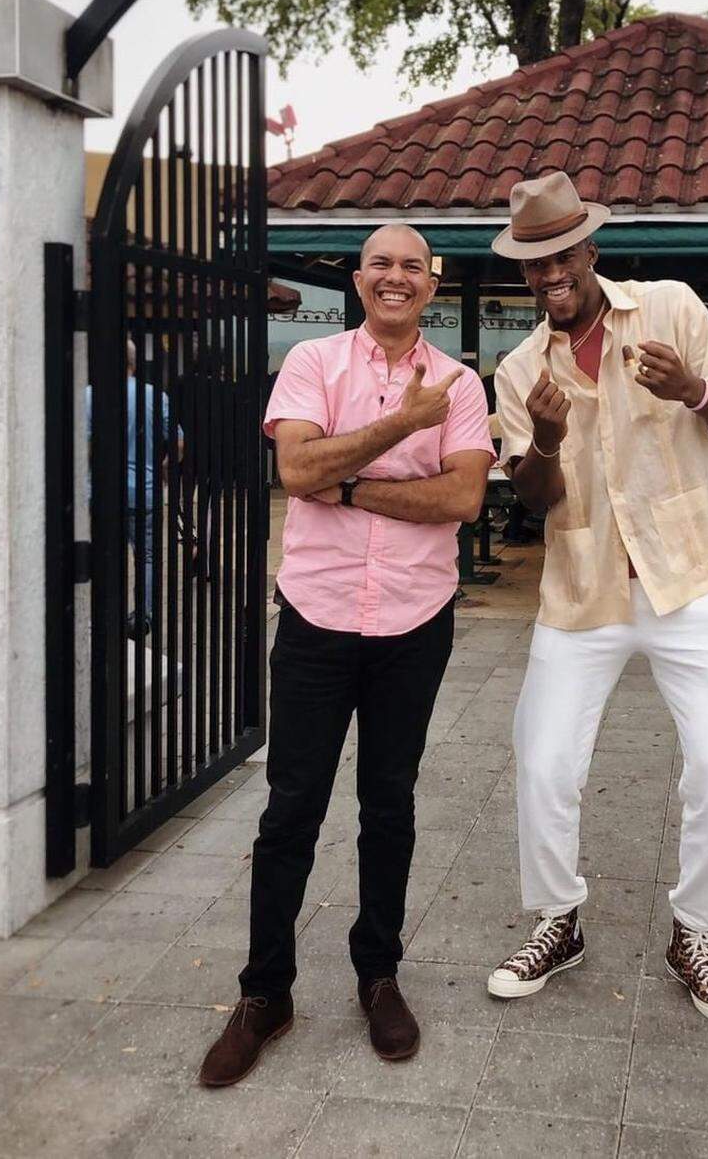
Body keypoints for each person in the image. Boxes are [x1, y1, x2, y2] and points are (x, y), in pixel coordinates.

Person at [199, 225, 493, 1085]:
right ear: (358, 277)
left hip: (414, 619)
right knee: (290, 807)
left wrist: (354, 484)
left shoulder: (461, 383)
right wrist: (402, 428)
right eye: (381, 264)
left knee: (388, 804)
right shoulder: (313, 365)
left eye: (412, 265)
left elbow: (465, 495)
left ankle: (378, 973)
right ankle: (265, 992)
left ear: (431, 283)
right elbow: (297, 467)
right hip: (318, 617)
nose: (395, 277)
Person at [485, 171, 708, 1027]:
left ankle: (695, 933)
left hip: (689, 576)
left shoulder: (671, 307)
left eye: (560, 253)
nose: (548, 273)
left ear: (589, 249)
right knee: (543, 762)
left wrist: (691, 390)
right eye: (532, 262)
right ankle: (558, 918)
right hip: (583, 584)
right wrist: (549, 440)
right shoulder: (522, 367)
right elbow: (531, 500)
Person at [86, 337, 177, 638]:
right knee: (147, 556)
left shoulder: (89, 396)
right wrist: (164, 466)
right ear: (133, 362)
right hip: (146, 490)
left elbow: (84, 444)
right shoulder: (154, 395)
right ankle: (143, 616)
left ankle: (105, 612)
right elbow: (178, 441)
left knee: (106, 553)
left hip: (103, 491)